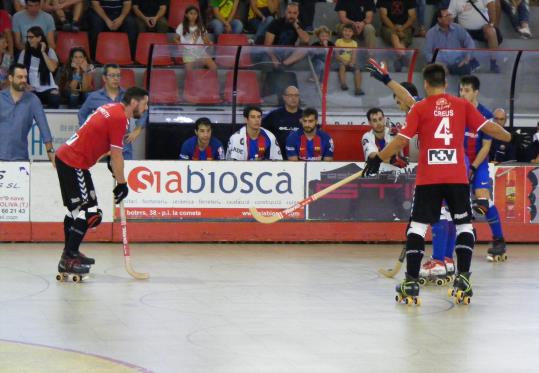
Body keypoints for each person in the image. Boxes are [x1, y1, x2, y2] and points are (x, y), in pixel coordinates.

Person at [363, 62, 511, 304]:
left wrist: (378, 157)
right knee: (464, 225)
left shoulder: (420, 108)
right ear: (445, 84)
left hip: (429, 177)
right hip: (456, 176)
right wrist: (509, 136)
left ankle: (411, 282)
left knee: (418, 227)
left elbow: (401, 138)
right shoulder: (461, 105)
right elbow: (491, 128)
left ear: (425, 84)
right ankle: (462, 277)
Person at [54, 87, 148, 276]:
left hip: (68, 159)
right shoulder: (120, 118)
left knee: (76, 213)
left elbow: (98, 139)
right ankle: (70, 256)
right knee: (90, 212)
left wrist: (110, 164)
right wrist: (122, 183)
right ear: (135, 103)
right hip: (74, 162)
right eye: (145, 104)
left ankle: (68, 256)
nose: (146, 109)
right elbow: (117, 155)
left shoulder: (112, 108)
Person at [459, 75, 507, 261]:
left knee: (483, 200)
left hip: (478, 163)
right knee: (457, 201)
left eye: (467, 90)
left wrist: (473, 167)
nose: (463, 94)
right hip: (459, 162)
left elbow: (486, 147)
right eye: (461, 90)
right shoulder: (456, 111)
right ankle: (463, 236)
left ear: (476, 92)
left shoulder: (486, 115)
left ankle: (499, 239)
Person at [78, 64, 146, 160]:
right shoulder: (94, 97)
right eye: (112, 75)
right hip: (101, 149)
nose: (116, 78)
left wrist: (137, 129)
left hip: (123, 148)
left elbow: (144, 110)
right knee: (100, 175)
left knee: (125, 174)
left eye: (118, 75)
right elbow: (81, 114)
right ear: (104, 78)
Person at [0, 63, 54, 161]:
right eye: (20, 77)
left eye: (25, 77)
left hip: (20, 158)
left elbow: (44, 127)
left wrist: (50, 152)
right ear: (11, 78)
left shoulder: (33, 100)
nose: (24, 80)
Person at [448, 0, 501, 73]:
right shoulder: (454, 1)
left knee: (491, 31)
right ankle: (473, 62)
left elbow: (491, 6)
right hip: (465, 30)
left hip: (483, 28)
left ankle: (494, 63)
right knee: (456, 33)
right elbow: (450, 17)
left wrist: (492, 24)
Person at [423, 9, 479, 75]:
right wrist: (438, 63)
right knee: (432, 70)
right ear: (439, 19)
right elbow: (427, 53)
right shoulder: (431, 33)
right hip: (440, 63)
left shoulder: (458, 28)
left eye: (450, 15)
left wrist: (467, 57)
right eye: (446, 16)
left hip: (457, 63)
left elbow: (470, 42)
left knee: (466, 68)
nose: (449, 17)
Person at [17, 26, 60, 108]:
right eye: (27, 37)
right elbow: (18, 71)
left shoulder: (49, 51)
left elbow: (52, 68)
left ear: (39, 38)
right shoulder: (25, 52)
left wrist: (43, 52)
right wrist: (25, 84)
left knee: (55, 99)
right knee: (26, 99)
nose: (28, 40)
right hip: (30, 87)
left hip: (47, 87)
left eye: (31, 37)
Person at [262, 85, 303, 159]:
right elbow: (262, 133)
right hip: (277, 158)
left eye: (296, 95)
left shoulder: (305, 117)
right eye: (290, 95)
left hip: (299, 159)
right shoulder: (273, 115)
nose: (293, 98)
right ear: (284, 97)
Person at [377, 0, 417, 72]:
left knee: (403, 41)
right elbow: (383, 16)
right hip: (388, 27)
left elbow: (413, 17)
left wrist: (402, 28)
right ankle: (403, 57)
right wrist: (395, 29)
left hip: (405, 27)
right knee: (394, 36)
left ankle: (398, 61)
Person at [173, 5, 216, 71]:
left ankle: (206, 81)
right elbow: (175, 39)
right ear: (186, 15)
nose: (193, 16)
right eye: (191, 13)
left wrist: (209, 43)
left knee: (214, 67)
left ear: (197, 15)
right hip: (188, 52)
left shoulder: (201, 27)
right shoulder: (181, 26)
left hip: (201, 52)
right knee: (189, 71)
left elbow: (206, 40)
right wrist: (179, 44)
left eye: (195, 14)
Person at [335, 23, 364, 96]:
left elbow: (354, 55)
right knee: (342, 67)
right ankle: (343, 84)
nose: (347, 33)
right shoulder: (338, 41)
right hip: (341, 62)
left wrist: (352, 62)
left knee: (357, 70)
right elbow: (337, 55)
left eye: (350, 31)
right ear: (342, 32)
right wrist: (343, 61)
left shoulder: (354, 43)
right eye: (345, 30)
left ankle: (358, 89)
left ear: (353, 33)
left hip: (350, 63)